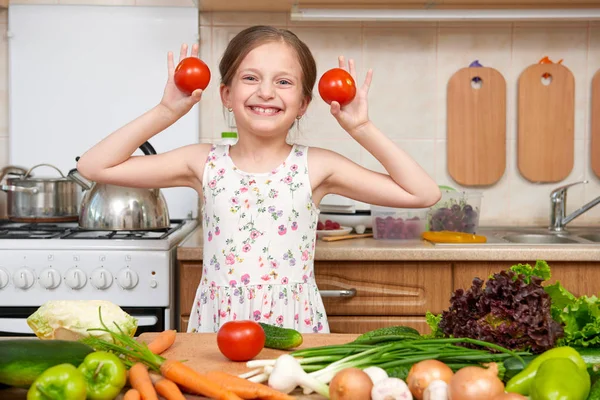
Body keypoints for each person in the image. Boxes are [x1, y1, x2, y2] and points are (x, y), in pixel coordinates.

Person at [76, 25, 441, 334]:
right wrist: (166, 111)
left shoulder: (317, 167)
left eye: (283, 82)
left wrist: (361, 127)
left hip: (294, 327)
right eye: (250, 78)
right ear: (227, 94)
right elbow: (94, 167)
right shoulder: (201, 161)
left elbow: (423, 193)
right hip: (219, 327)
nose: (265, 92)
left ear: (303, 103)